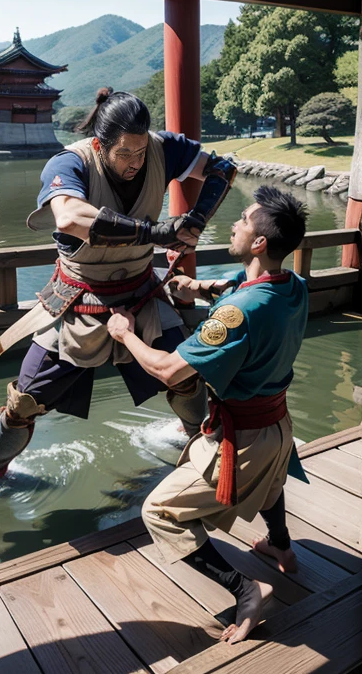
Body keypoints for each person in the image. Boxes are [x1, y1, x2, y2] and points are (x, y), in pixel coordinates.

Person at [0, 88, 237, 497]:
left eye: (141, 151)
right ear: (100, 144)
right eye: (125, 153)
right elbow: (70, 216)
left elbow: (222, 168)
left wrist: (196, 221)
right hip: (80, 300)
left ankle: (195, 440)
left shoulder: (163, 149)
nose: (136, 163)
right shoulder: (70, 162)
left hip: (143, 293)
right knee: (22, 403)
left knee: (186, 376)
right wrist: (156, 231)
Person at [107, 185, 308, 645]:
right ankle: (280, 545)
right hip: (278, 426)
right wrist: (195, 287)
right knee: (272, 480)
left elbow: (167, 368)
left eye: (243, 221)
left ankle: (246, 589)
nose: (235, 223)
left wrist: (125, 335)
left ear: (258, 243)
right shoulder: (293, 285)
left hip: (246, 440)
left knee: (160, 512)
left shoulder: (236, 314)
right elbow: (243, 290)